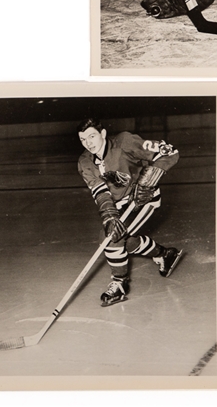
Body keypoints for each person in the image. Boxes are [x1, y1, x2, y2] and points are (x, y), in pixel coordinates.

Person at [77, 117, 183, 306]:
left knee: (110, 238)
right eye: (83, 139)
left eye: (92, 136)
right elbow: (100, 192)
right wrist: (109, 215)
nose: (88, 143)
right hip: (118, 205)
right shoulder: (85, 162)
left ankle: (119, 283)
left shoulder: (124, 142)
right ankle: (164, 254)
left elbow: (169, 152)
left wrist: (150, 179)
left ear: (102, 134)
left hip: (143, 199)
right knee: (121, 239)